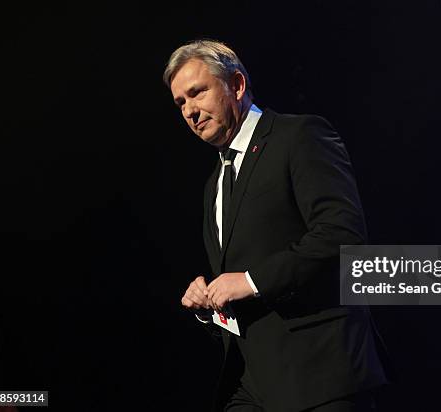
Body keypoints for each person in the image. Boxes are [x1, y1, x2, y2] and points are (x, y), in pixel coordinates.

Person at [165, 39, 389, 411]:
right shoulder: (213, 185)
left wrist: (251, 281)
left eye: (197, 93)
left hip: (320, 373)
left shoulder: (299, 137)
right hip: (251, 382)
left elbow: (341, 234)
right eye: (180, 103)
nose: (190, 110)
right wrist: (209, 301)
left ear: (236, 85)